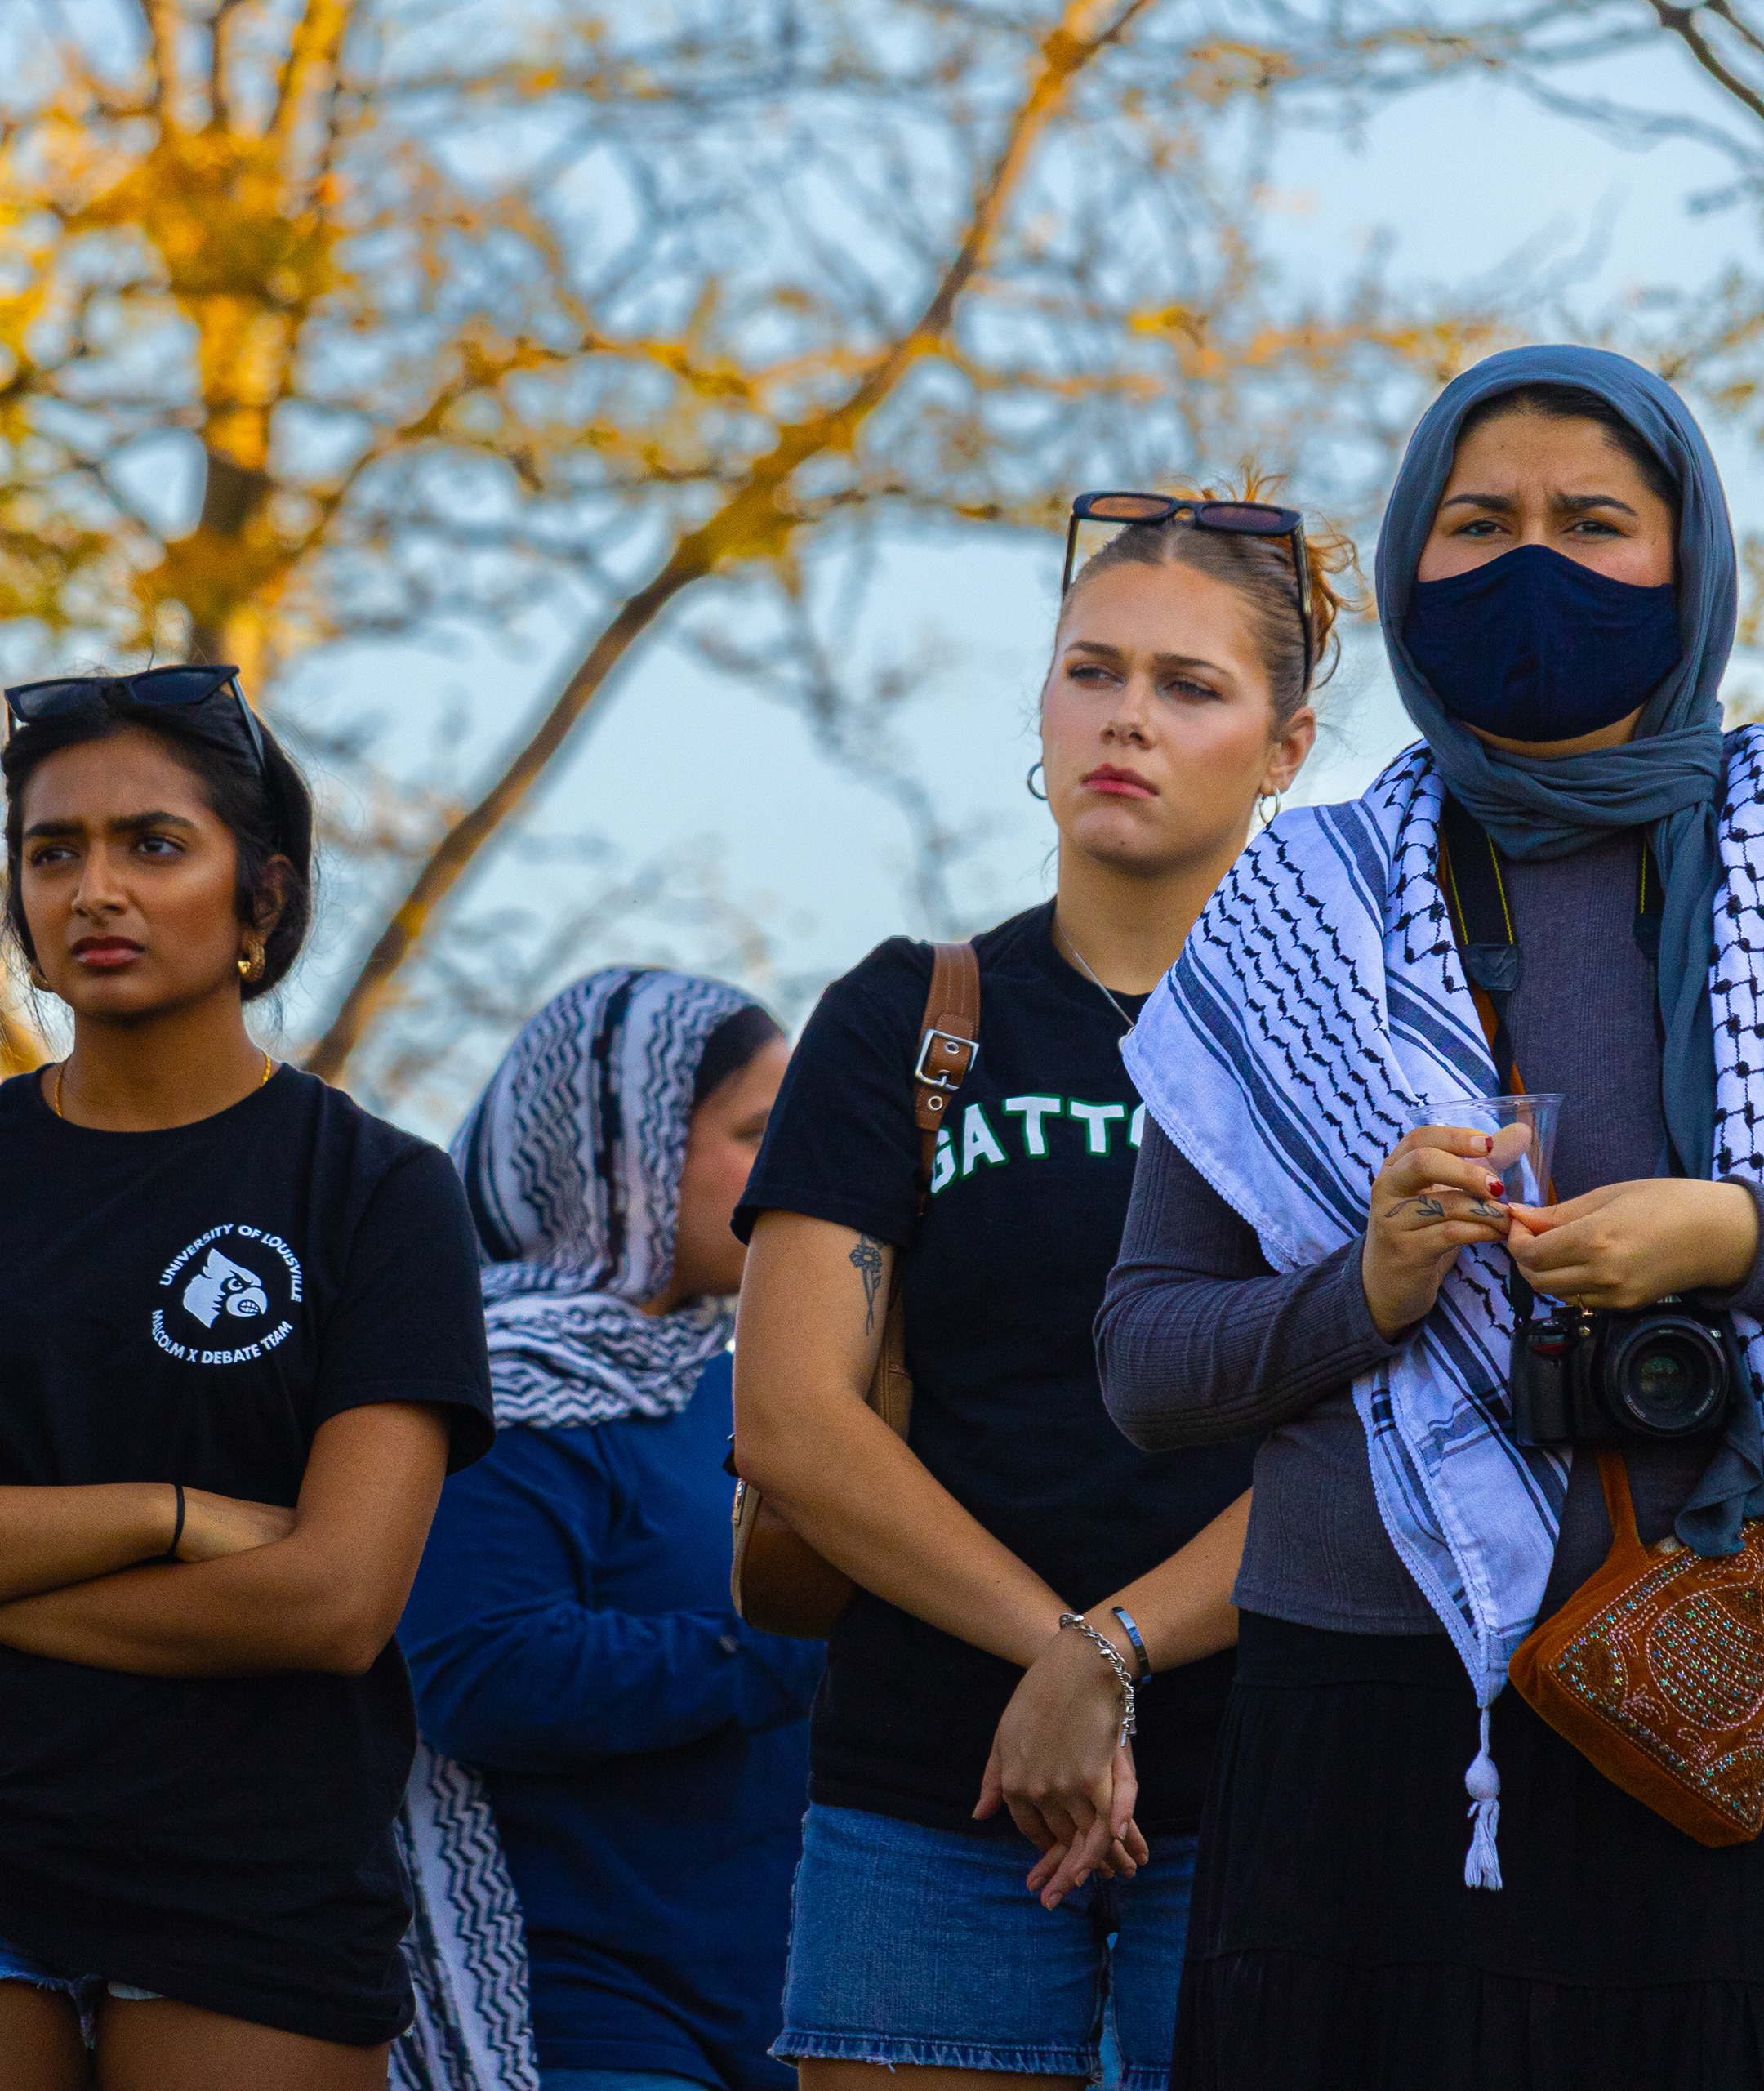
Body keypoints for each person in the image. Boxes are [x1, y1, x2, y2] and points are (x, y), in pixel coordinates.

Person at [1102, 349, 1764, 2087]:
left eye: (1592, 522)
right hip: (1368, 1731)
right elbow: (1146, 1365)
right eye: (1480, 524)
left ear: (1691, 565)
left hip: (1733, 1692)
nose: (1532, 562)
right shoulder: (1288, 908)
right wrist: (1368, 1284)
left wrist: (1734, 1238)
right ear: (1408, 564)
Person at [0, 665, 494, 2089]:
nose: (95, 889)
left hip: (255, 1879)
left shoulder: (378, 1192)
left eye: (154, 845)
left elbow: (334, 1601)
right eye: (53, 852)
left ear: (262, 898)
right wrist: (169, 1514)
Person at [732, 482, 1348, 2089]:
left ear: (1283, 748)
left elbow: (1385, 1428)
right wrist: (1063, 1660)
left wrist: (1116, 1653)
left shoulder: (1357, 1053)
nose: (1126, 718)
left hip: (1280, 1782)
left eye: (1189, 686)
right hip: (933, 1795)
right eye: (1094, 670)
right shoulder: (910, 1018)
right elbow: (791, 1419)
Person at [397, 968, 823, 2091]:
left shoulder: (748, 1387)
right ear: (617, 1158)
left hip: (784, 1994)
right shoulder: (490, 1384)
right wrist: (798, 1651)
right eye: (754, 1132)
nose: (795, 1164)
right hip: (580, 2003)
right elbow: (479, 1670)